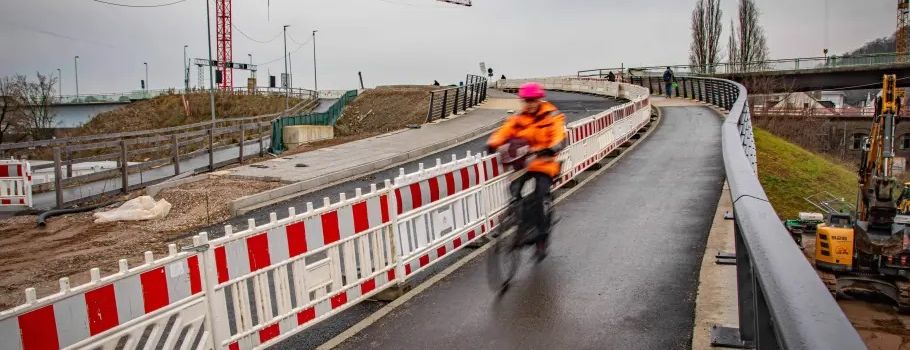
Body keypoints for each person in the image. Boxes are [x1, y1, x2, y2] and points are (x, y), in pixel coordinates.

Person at [487, 82, 566, 261]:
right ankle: (523, 225)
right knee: (514, 191)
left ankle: (541, 238)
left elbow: (559, 135)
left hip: (545, 163)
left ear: (539, 99)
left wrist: (551, 148)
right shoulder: (519, 118)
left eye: (533, 100)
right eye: (527, 101)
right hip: (524, 164)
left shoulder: (551, 115)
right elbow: (504, 131)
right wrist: (492, 143)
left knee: (540, 195)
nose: (529, 104)